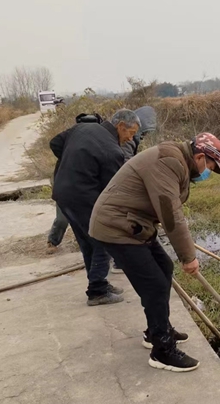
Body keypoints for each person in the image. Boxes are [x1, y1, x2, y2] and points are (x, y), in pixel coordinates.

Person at [90, 132, 220, 372]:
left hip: (134, 224)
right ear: (199, 156)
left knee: (164, 268)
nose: (209, 172)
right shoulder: (169, 162)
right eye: (210, 166)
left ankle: (157, 329)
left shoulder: (179, 161)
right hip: (117, 226)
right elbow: (170, 214)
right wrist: (189, 257)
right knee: (154, 284)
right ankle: (162, 350)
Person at [51, 109, 141, 306]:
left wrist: (72, 163)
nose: (130, 139)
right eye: (130, 133)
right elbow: (111, 191)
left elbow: (55, 143)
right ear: (120, 126)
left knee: (87, 242)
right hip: (83, 199)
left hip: (63, 194)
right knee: (104, 239)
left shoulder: (84, 127)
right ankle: (97, 291)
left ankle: (98, 282)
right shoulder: (112, 151)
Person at [46, 113, 105, 255]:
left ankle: (89, 244)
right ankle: (53, 240)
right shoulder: (70, 136)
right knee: (62, 218)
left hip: (85, 186)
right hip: (64, 182)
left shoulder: (98, 140)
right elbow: (54, 143)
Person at [110, 105, 158, 275]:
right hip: (117, 188)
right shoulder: (128, 139)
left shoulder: (132, 134)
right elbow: (127, 165)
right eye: (144, 132)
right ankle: (118, 262)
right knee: (122, 222)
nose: (144, 136)